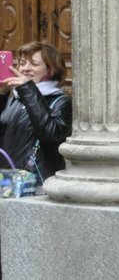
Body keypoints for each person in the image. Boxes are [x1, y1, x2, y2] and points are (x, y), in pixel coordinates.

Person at [0, 40, 71, 182]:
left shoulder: (61, 101)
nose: (25, 68)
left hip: (36, 182)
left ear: (50, 70)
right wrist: (1, 95)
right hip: (7, 180)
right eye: (22, 63)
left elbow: (51, 135)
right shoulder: (14, 97)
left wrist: (28, 89)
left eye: (34, 64)